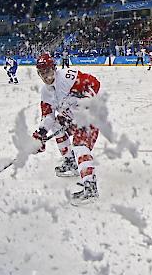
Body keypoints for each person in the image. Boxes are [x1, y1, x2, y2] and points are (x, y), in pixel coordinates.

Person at [32, 53, 103, 205]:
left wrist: (81, 101)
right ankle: (71, 162)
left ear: (54, 68)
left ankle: (90, 188)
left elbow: (95, 84)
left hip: (90, 116)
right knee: (57, 124)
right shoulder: (45, 92)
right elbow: (48, 116)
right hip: (73, 119)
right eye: (42, 73)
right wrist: (41, 134)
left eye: (48, 71)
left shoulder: (67, 77)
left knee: (80, 146)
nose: (46, 76)